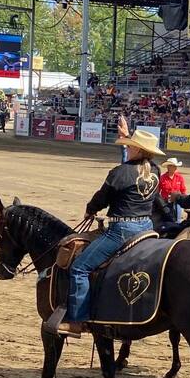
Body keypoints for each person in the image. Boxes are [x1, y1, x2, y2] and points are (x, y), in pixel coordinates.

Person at [43, 129, 166, 336]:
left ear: (137, 149)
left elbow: (103, 197)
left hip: (122, 230)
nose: (126, 147)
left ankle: (77, 321)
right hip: (146, 227)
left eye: (129, 145)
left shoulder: (121, 172)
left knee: (79, 268)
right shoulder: (154, 170)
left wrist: (91, 209)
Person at [159, 157, 187, 222]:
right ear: (168, 167)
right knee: (166, 218)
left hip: (177, 201)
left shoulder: (179, 177)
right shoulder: (162, 178)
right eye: (173, 166)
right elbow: (157, 191)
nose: (175, 168)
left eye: (175, 166)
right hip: (165, 202)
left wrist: (185, 201)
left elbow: (183, 190)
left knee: (178, 219)